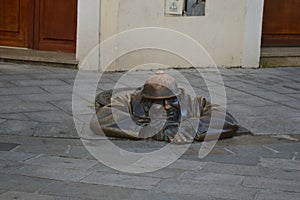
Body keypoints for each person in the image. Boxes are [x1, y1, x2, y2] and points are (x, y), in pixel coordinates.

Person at [90, 71, 239, 143]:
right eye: (160, 102)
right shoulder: (130, 102)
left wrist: (191, 127)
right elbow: (100, 119)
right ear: (146, 102)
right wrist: (155, 131)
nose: (167, 107)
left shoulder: (191, 103)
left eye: (172, 100)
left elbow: (227, 120)